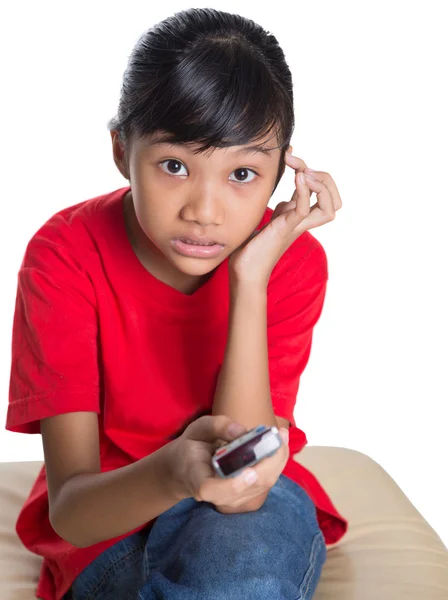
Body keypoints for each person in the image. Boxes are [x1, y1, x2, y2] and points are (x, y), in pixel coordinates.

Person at [5, 7, 347, 600]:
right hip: (113, 512)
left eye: (242, 173)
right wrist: (172, 472)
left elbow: (248, 486)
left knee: (245, 575)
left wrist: (249, 280)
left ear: (281, 173)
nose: (205, 211)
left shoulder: (286, 262)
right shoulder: (64, 255)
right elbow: (73, 512)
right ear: (120, 151)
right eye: (174, 166)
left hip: (244, 514)